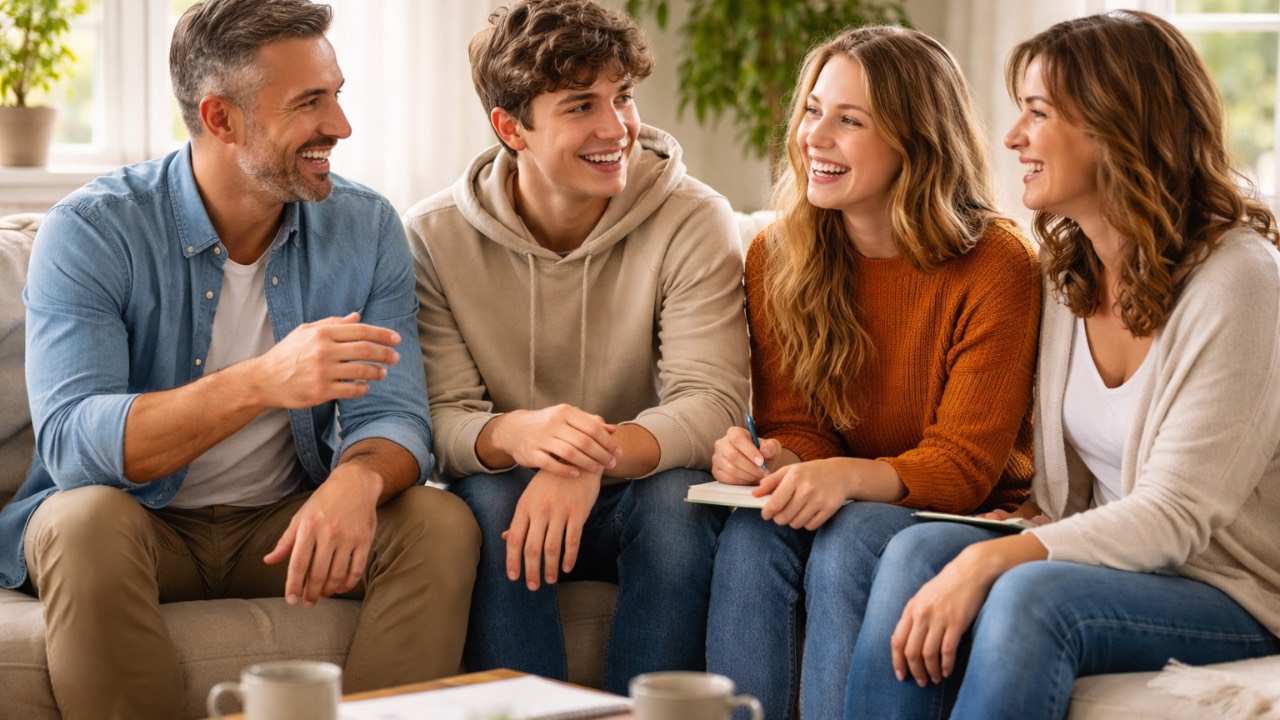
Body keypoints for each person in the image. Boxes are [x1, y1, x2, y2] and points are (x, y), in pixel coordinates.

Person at [0, 1, 481, 717]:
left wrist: (356, 481)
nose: (341, 127)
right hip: (138, 524)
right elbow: (74, 445)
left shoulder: (365, 224)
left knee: (440, 526)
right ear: (220, 118)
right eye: (310, 103)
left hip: (280, 523)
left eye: (338, 95)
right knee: (82, 524)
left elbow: (398, 417)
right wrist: (263, 380)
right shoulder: (92, 231)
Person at [844, 11, 1280, 720]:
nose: (1013, 136)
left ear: (1117, 126)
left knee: (1029, 593)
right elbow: (1072, 487)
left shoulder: (1241, 279)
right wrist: (1024, 524)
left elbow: (1175, 515)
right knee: (916, 550)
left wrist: (997, 556)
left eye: (1037, 112)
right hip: (1119, 565)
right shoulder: (1065, 270)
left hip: (1231, 589)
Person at [402, 0, 750, 695]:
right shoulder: (432, 239)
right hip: (511, 486)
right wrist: (525, 435)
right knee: (489, 506)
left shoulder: (691, 218)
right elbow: (439, 420)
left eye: (622, 97)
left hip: (640, 485)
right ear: (512, 129)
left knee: (677, 508)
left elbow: (713, 402)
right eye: (580, 105)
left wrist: (590, 455)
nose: (615, 127)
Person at [703, 25, 1041, 720]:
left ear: (915, 141)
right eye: (812, 110)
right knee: (752, 530)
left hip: (966, 509)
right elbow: (801, 422)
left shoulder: (997, 265)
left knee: (854, 535)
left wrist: (844, 480)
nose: (813, 135)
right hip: (851, 494)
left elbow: (965, 464)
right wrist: (778, 458)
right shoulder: (777, 254)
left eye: (849, 120)